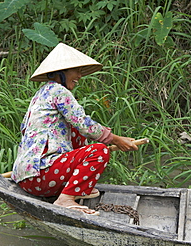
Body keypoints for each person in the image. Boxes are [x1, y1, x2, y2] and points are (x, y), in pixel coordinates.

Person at [11, 43, 138, 215]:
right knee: (99, 151)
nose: (79, 75)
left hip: (26, 177)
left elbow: (79, 128)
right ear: (61, 72)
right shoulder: (58, 91)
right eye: (76, 70)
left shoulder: (42, 93)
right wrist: (115, 139)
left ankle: (77, 187)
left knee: (76, 133)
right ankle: (66, 199)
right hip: (40, 176)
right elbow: (84, 124)